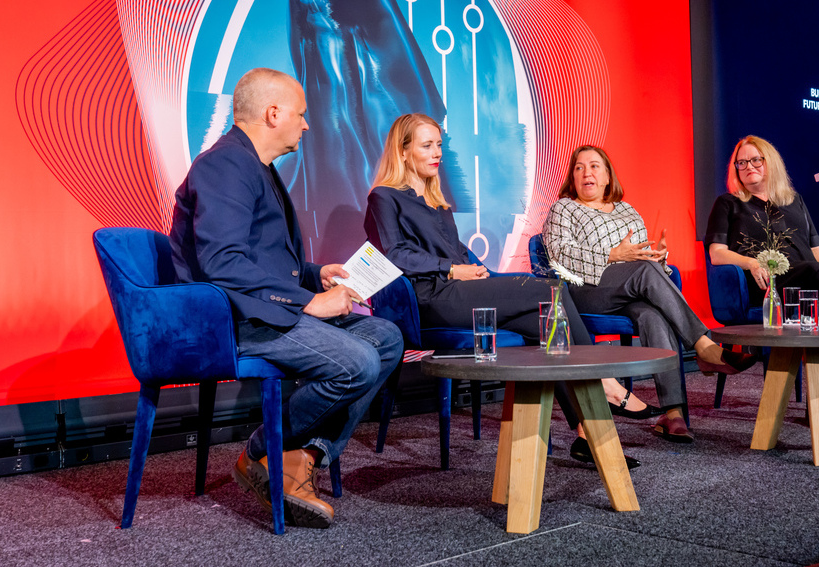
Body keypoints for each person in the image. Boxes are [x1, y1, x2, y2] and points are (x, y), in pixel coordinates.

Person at [170, 68, 403, 529]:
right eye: (300, 114)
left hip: (263, 308)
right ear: (273, 113)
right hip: (234, 320)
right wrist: (307, 302)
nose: (307, 124)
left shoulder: (256, 166)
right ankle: (261, 451)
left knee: (387, 337)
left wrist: (317, 275)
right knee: (357, 362)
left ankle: (300, 456)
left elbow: (261, 257)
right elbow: (222, 261)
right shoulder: (225, 164)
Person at [364, 114, 643, 467]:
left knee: (546, 326)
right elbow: (393, 255)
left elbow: (458, 252)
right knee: (550, 290)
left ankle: (586, 434)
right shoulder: (384, 197)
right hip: (428, 299)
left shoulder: (437, 201)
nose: (437, 153)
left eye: (439, 144)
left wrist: (479, 270)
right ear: (402, 152)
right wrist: (451, 268)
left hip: (457, 291)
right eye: (426, 145)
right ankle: (601, 378)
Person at [543, 145, 757, 444]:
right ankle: (704, 345)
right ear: (572, 177)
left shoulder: (627, 210)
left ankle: (674, 415)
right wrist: (613, 254)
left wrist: (658, 259)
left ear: (607, 176)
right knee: (644, 273)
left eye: (594, 166)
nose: (586, 172)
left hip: (631, 289)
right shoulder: (563, 208)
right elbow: (560, 255)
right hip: (586, 292)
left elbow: (642, 259)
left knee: (653, 313)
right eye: (579, 167)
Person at [705, 135, 819, 319]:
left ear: (770, 162)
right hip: (766, 282)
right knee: (812, 271)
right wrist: (751, 263)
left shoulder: (794, 200)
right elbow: (717, 254)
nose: (749, 166)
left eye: (756, 160)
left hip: (809, 279)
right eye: (742, 162)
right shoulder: (728, 203)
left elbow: (814, 248)